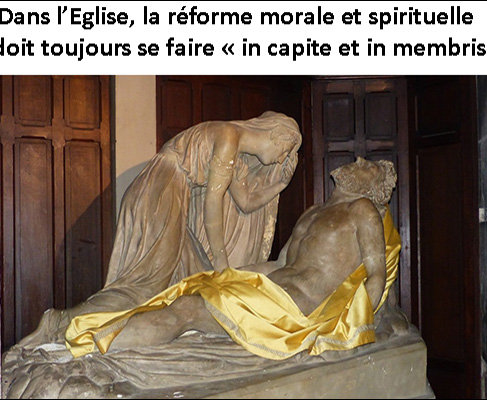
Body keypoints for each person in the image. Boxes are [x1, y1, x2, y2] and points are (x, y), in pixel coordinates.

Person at [64, 157, 401, 361]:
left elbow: (376, 274)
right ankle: (93, 338)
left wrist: (353, 333)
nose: (359, 160)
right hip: (271, 292)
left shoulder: (363, 210)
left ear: (374, 189)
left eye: (369, 167)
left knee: (189, 310)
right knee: (187, 295)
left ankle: (88, 346)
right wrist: (227, 276)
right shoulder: (314, 212)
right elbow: (280, 265)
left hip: (293, 310)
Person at [18, 111, 301, 346]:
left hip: (170, 197)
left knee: (184, 284)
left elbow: (246, 201)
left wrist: (280, 184)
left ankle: (111, 334)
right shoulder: (229, 137)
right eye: (285, 152)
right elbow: (212, 204)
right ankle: (61, 324)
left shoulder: (234, 152)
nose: (280, 160)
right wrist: (222, 263)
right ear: (278, 136)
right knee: (144, 286)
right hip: (162, 192)